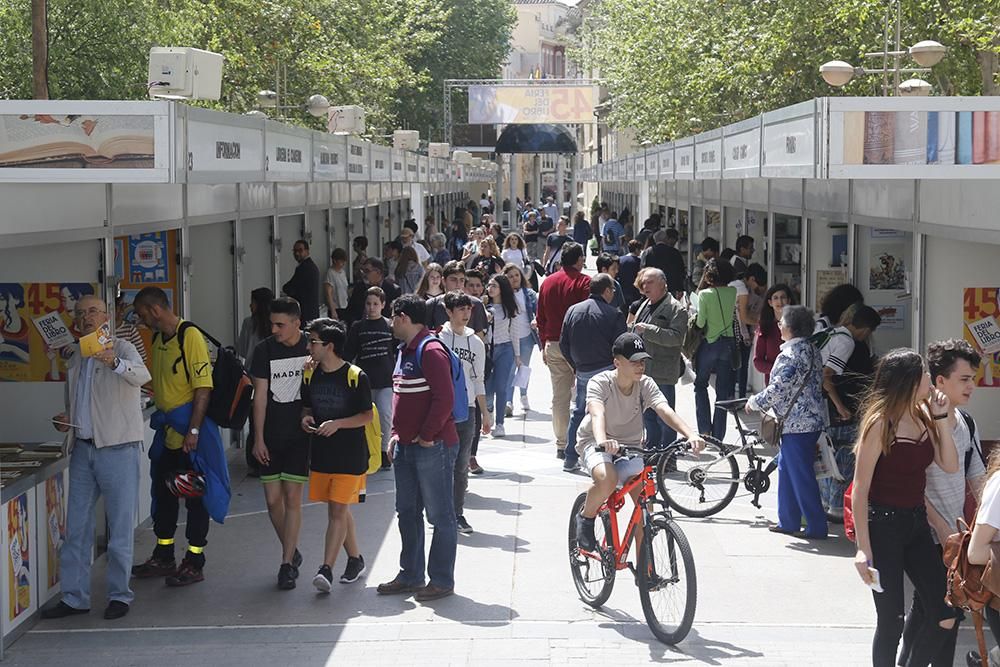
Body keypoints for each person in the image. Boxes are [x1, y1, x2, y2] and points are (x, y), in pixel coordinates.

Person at [41, 295, 150, 621]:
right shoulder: (75, 355)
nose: (86, 317)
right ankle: (74, 597)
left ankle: (119, 595)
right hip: (84, 448)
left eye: (92, 311)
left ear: (106, 317)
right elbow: (82, 400)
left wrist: (112, 361)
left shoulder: (122, 347)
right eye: (80, 313)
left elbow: (143, 377)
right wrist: (68, 417)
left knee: (118, 529)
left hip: (118, 448)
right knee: (76, 528)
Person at [850, 349, 959, 667]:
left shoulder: (926, 415)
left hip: (916, 525)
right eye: (925, 373)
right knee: (891, 623)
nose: (930, 379)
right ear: (911, 381)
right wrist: (862, 549)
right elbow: (860, 489)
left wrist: (941, 419)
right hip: (882, 528)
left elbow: (950, 465)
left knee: (946, 613)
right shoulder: (879, 423)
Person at [132, 287, 228, 587]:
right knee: (163, 496)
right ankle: (164, 555)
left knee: (195, 499)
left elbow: (203, 388)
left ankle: (194, 560)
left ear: (155, 310)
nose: (140, 320)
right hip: (167, 435)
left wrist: (194, 431)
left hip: (190, 437)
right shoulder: (159, 339)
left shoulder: (190, 337)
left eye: (142, 314)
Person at [574, 333, 704, 551]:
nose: (640, 366)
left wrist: (690, 434)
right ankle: (586, 518)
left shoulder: (645, 384)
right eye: (633, 361)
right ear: (617, 362)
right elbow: (597, 414)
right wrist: (603, 440)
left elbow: (665, 410)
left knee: (645, 509)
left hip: (630, 447)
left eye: (642, 361)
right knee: (607, 479)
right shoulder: (601, 382)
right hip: (595, 441)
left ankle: (646, 572)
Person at [899, 339, 985, 667]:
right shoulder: (917, 422)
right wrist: (938, 523)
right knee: (945, 613)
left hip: (954, 538)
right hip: (925, 534)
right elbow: (909, 483)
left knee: (929, 610)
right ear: (940, 381)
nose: (972, 386)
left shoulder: (966, 421)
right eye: (964, 379)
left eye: (973, 378)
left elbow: (978, 478)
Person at [377, 295, 459, 602]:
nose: (389, 321)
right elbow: (402, 397)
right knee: (407, 512)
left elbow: (445, 399)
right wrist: (396, 435)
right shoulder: (404, 351)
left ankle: (440, 580)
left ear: (403, 317)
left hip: (432, 446)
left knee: (440, 516)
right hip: (407, 447)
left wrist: (426, 435)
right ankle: (411, 574)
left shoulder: (431, 350)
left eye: (392, 316)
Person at [300, 318, 371, 592]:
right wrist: (305, 419)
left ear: (329, 346)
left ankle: (326, 569)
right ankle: (355, 559)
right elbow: (306, 407)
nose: (309, 346)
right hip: (322, 453)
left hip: (350, 455)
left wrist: (338, 423)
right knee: (337, 508)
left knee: (338, 511)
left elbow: (366, 415)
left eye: (312, 342)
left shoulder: (355, 376)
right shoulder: (310, 373)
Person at [745, 305, 827, 538]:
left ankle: (815, 526)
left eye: (782, 322)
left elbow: (778, 388)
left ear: (790, 328)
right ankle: (788, 520)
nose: (779, 325)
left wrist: (755, 402)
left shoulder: (791, 354)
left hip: (796, 424)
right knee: (788, 470)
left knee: (801, 475)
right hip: (807, 420)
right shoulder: (811, 349)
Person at [247, 297, 311, 589]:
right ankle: (292, 547)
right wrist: (257, 438)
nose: (274, 329)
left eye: (280, 324)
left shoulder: (313, 346)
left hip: (300, 438)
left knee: (292, 499)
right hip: (270, 435)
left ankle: (286, 564)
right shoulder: (264, 351)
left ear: (297, 324)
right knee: (273, 501)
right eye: (272, 323)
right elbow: (259, 395)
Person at [819, 303, 882, 521]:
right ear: (865, 328)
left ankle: (827, 502)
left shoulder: (831, 334)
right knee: (843, 459)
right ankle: (837, 507)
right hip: (842, 409)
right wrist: (841, 406)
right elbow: (827, 376)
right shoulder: (850, 343)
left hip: (824, 409)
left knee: (829, 457)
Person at [561, 273, 627, 472]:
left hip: (583, 369)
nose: (613, 294)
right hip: (606, 370)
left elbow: (564, 342)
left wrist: (575, 364)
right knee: (607, 415)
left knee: (580, 412)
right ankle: (606, 458)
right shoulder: (613, 314)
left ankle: (570, 457)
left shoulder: (573, 310)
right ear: (607, 291)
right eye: (612, 291)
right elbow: (621, 346)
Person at [440, 291, 491, 534]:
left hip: (467, 409)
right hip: (441, 410)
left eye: (468, 309)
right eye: (460, 309)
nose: (465, 313)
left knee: (461, 465)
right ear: (449, 312)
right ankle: (439, 511)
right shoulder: (438, 339)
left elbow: (478, 379)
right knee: (441, 464)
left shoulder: (476, 343)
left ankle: (457, 513)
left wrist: (485, 413)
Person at [536, 242, 591, 461]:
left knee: (559, 397)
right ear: (579, 260)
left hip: (553, 343)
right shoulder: (584, 282)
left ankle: (562, 443)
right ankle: (582, 441)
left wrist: (543, 344)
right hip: (578, 346)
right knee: (586, 396)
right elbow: (587, 316)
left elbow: (540, 317)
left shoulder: (548, 282)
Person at [631, 269, 687, 448]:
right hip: (643, 370)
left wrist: (648, 330)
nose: (645, 286)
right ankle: (652, 451)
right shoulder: (645, 303)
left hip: (662, 372)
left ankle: (668, 457)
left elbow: (676, 338)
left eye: (650, 282)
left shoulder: (675, 308)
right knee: (648, 415)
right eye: (644, 282)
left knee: (665, 415)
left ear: (663, 284)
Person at [345, 286, 396, 471]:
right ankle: (366, 452)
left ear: (383, 305)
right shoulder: (358, 327)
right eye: (368, 304)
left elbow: (399, 350)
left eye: (376, 304)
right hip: (364, 381)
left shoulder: (390, 325)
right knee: (365, 418)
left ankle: (384, 451)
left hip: (385, 381)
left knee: (384, 413)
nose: (372, 307)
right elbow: (348, 353)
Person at [693, 259, 737, 440]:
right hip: (728, 344)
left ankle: (704, 429)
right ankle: (718, 435)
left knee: (700, 385)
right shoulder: (733, 291)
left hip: (709, 344)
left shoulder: (704, 294)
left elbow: (700, 323)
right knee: (722, 390)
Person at [483, 274, 520, 438]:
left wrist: (517, 355)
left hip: (505, 349)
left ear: (501, 289)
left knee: (502, 387)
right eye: (489, 285)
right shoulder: (483, 307)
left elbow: (514, 332)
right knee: (487, 388)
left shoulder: (509, 308)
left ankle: (500, 423)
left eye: (494, 286)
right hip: (488, 350)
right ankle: (489, 409)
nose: (490, 289)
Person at [503, 263, 539, 414]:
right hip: (509, 338)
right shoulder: (502, 295)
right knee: (510, 370)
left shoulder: (529, 294)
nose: (514, 278)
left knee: (523, 369)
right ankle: (508, 402)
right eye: (510, 276)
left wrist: (536, 321)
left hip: (526, 337)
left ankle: (524, 396)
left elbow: (539, 312)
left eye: (516, 275)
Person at [729, 263, 767, 398]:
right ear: (751, 279)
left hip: (734, 332)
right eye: (757, 284)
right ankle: (739, 397)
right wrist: (762, 322)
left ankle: (734, 397)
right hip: (737, 332)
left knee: (736, 366)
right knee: (740, 366)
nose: (757, 288)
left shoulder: (736, 285)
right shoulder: (741, 289)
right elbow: (744, 318)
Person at [426, 261, 488, 337]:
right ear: (444, 281)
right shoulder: (432, 305)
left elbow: (480, 336)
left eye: (461, 280)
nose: (458, 284)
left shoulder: (476, 304)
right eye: (453, 280)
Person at [753, 284, 793, 384]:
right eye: (775, 298)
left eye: (783, 297)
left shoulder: (798, 325)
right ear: (770, 303)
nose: (780, 301)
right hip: (773, 383)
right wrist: (778, 369)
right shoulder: (765, 327)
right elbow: (758, 361)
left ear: (789, 300)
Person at [282, 239, 320, 321]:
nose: (297, 253)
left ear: (307, 251)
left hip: (305, 312)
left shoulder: (304, 268)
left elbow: (292, 286)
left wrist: (285, 290)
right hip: (310, 311)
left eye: (300, 250)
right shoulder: (310, 266)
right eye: (295, 251)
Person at [643, 228, 687, 297]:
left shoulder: (648, 252)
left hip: (652, 286)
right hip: (671, 286)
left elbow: (643, 269)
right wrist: (680, 288)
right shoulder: (674, 252)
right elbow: (680, 271)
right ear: (666, 239)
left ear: (655, 240)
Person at [114, 292, 147, 363]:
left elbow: (142, 358)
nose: (123, 308)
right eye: (120, 305)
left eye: (124, 305)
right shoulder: (101, 329)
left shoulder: (130, 329)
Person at [324, 248, 350, 321]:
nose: (343, 264)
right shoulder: (330, 273)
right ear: (335, 260)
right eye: (341, 261)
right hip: (336, 308)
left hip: (345, 306)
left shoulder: (343, 272)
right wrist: (333, 310)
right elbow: (328, 294)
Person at [618, 240, 642, 307]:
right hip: (635, 291)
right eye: (640, 250)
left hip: (623, 289)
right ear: (637, 249)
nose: (640, 252)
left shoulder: (620, 259)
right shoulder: (639, 261)